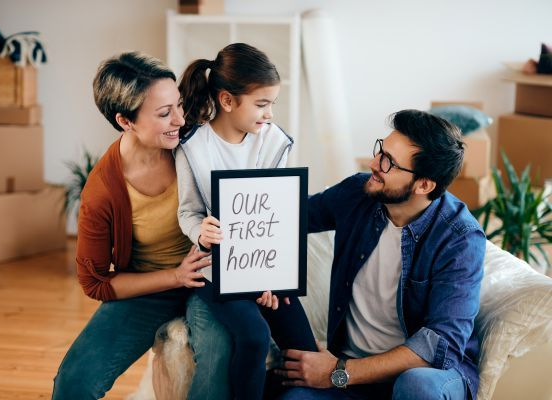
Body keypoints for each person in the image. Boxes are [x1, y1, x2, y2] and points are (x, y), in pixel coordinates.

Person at [52, 51, 231, 400]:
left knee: (217, 362)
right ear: (125, 121)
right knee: (73, 383)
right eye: (164, 113)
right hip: (153, 287)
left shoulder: (196, 142)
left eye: (178, 105)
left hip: (212, 278)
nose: (180, 119)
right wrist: (174, 277)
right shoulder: (103, 191)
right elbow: (94, 282)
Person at [276, 110, 486, 400]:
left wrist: (338, 371)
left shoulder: (459, 238)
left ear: (424, 185)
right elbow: (290, 216)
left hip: (426, 376)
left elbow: (440, 344)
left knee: (416, 386)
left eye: (389, 162)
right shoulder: (359, 192)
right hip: (352, 371)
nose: (374, 163)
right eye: (381, 150)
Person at [175, 43, 318, 400]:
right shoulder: (193, 146)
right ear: (227, 101)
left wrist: (270, 277)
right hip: (216, 268)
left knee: (305, 350)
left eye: (272, 104)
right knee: (253, 336)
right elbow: (187, 212)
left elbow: (278, 216)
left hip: (266, 265)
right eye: (261, 104)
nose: (269, 114)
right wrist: (200, 231)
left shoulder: (274, 142)